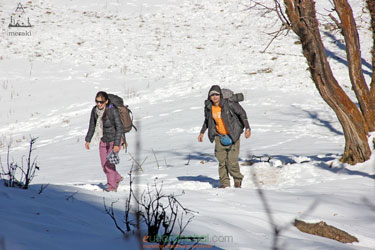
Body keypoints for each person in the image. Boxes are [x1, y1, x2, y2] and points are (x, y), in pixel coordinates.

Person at [198, 85, 251, 188]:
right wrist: (202, 132)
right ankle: (225, 183)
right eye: (212, 95)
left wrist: (247, 128)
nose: (214, 97)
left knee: (232, 161)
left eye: (216, 94)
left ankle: (237, 179)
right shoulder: (209, 107)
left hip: (233, 135)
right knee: (222, 162)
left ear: (220, 95)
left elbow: (242, 113)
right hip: (219, 136)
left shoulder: (229, 104)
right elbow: (207, 121)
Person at [85, 91, 123, 192]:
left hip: (115, 139)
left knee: (109, 164)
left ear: (106, 101)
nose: (98, 104)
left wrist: (116, 144)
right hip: (103, 139)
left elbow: (119, 127)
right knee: (104, 165)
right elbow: (92, 125)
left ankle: (112, 187)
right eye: (97, 101)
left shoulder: (112, 111)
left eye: (101, 102)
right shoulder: (95, 111)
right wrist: (88, 139)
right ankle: (117, 178)